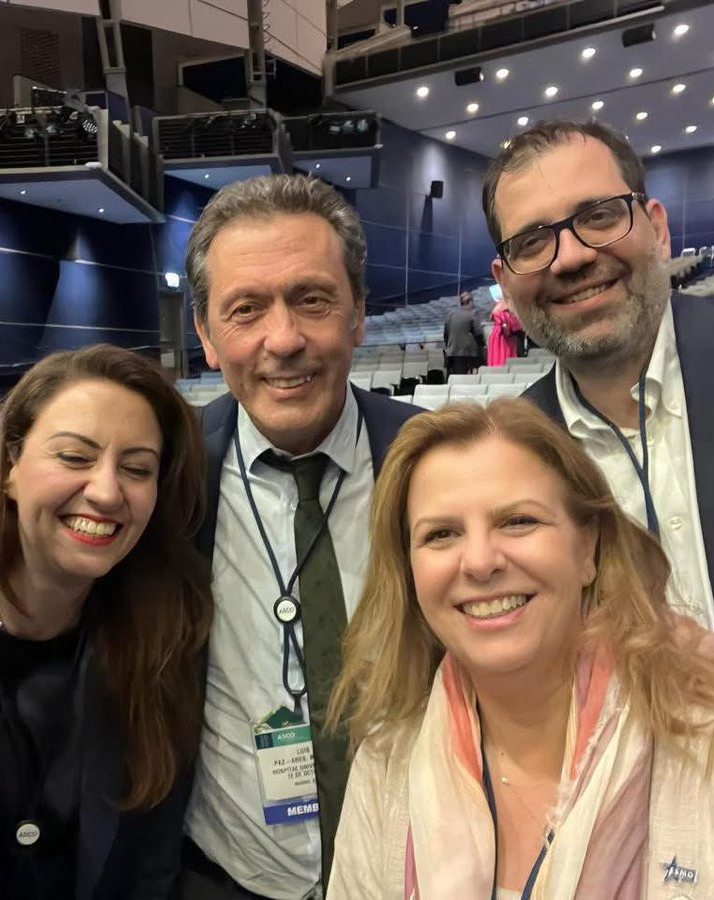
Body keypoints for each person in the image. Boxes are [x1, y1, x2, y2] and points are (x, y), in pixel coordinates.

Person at [328, 400, 714, 898]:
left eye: (518, 521)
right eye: (441, 534)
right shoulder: (387, 762)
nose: (480, 562)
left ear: (588, 547)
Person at [484, 119, 714, 775]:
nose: (569, 258)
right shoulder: (506, 454)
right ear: (505, 281)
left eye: (598, 216)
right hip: (624, 810)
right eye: (532, 241)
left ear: (656, 227)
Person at [180, 173, 420, 898]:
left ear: (358, 315)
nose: (283, 339)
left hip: (419, 870)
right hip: (227, 877)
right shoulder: (165, 477)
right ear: (206, 336)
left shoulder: (436, 461)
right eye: (246, 309)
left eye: (312, 300)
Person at [0, 345, 212, 899]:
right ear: (8, 468)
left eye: (137, 469)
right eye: (75, 457)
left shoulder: (166, 639)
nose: (106, 492)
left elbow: (150, 861)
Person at [443, 291, 485, 374]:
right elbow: (479, 333)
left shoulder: (451, 313)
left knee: (453, 377)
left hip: (451, 352)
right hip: (467, 353)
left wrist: (449, 346)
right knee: (466, 378)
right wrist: (482, 345)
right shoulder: (472, 313)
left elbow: (446, 334)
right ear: (470, 301)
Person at [487, 297, 523, 367]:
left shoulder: (499, 309)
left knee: (497, 354)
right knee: (503, 353)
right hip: (503, 335)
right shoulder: (504, 311)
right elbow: (508, 325)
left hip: (498, 334)